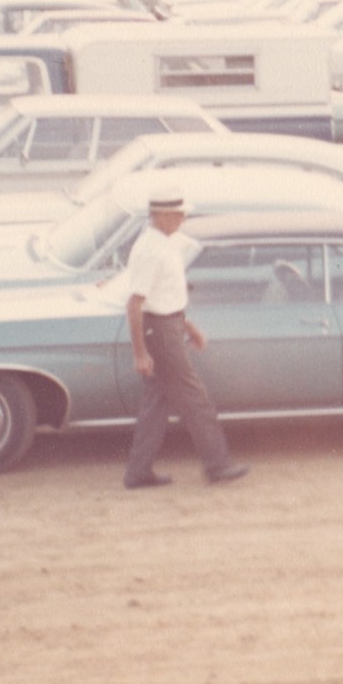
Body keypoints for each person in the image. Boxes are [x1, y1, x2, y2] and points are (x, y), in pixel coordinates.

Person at [122, 192, 249, 490]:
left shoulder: (164, 244)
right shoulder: (150, 250)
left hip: (169, 326)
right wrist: (140, 354)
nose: (183, 219)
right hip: (161, 333)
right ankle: (218, 465)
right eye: (179, 215)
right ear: (162, 216)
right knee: (195, 399)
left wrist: (188, 326)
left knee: (156, 404)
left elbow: (166, 297)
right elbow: (135, 305)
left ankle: (138, 473)